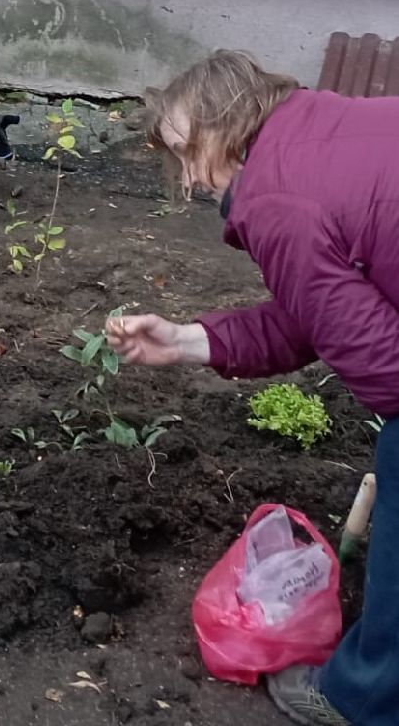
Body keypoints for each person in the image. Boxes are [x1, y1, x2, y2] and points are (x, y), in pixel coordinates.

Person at [104, 49, 399, 726]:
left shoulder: (274, 198)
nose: (188, 177)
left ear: (226, 121)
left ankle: (362, 696)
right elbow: (318, 315)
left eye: (186, 152)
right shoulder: (318, 127)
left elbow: (381, 366)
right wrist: (182, 340)